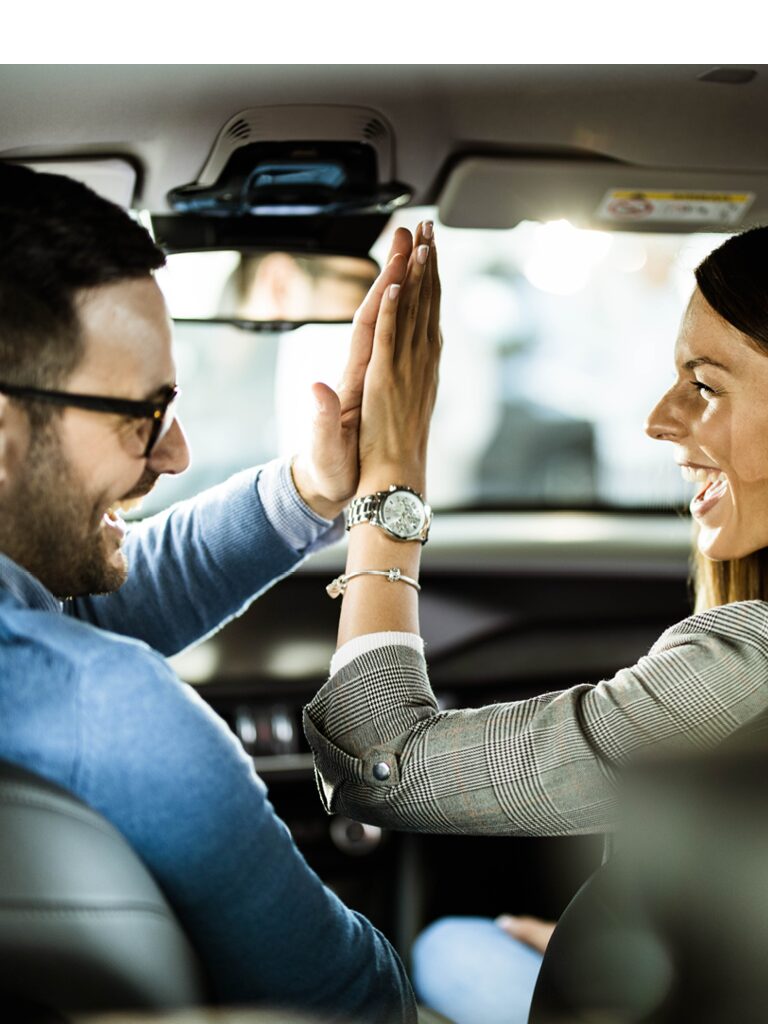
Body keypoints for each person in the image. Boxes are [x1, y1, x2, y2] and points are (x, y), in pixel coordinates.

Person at [303, 223, 768, 1024]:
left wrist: (390, 475)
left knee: (447, 947)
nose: (658, 421)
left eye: (705, 385)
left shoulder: (742, 664)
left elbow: (381, 761)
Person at [0, 162, 424, 1022]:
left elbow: (80, 607)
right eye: (141, 416)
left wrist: (310, 489)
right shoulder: (111, 710)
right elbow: (358, 1006)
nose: (175, 454)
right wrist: (394, 490)